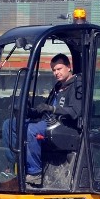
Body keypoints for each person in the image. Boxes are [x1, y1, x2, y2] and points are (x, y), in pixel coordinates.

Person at [23, 53, 83, 186]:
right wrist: (31, 112)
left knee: (32, 130)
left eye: (59, 69)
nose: (56, 73)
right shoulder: (58, 86)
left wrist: (52, 109)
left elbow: (74, 112)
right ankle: (16, 167)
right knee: (11, 125)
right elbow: (46, 110)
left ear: (68, 67)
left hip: (66, 127)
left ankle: (35, 173)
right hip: (50, 122)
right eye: (54, 70)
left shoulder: (77, 85)